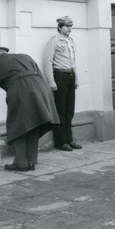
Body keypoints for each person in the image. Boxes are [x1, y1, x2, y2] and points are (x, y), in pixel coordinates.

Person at [0, 47, 60, 172]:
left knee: (17, 126)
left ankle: (21, 163)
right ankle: (30, 162)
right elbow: (39, 75)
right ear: (5, 54)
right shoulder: (26, 56)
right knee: (34, 124)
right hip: (41, 90)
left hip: (21, 92)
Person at [44, 16, 81, 151]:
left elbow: (73, 62)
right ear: (60, 27)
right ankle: (61, 142)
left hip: (70, 75)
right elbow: (48, 62)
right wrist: (51, 81)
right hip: (60, 75)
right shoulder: (54, 41)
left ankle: (69, 139)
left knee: (69, 111)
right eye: (67, 26)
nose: (70, 29)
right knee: (60, 111)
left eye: (71, 26)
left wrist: (76, 78)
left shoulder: (70, 41)